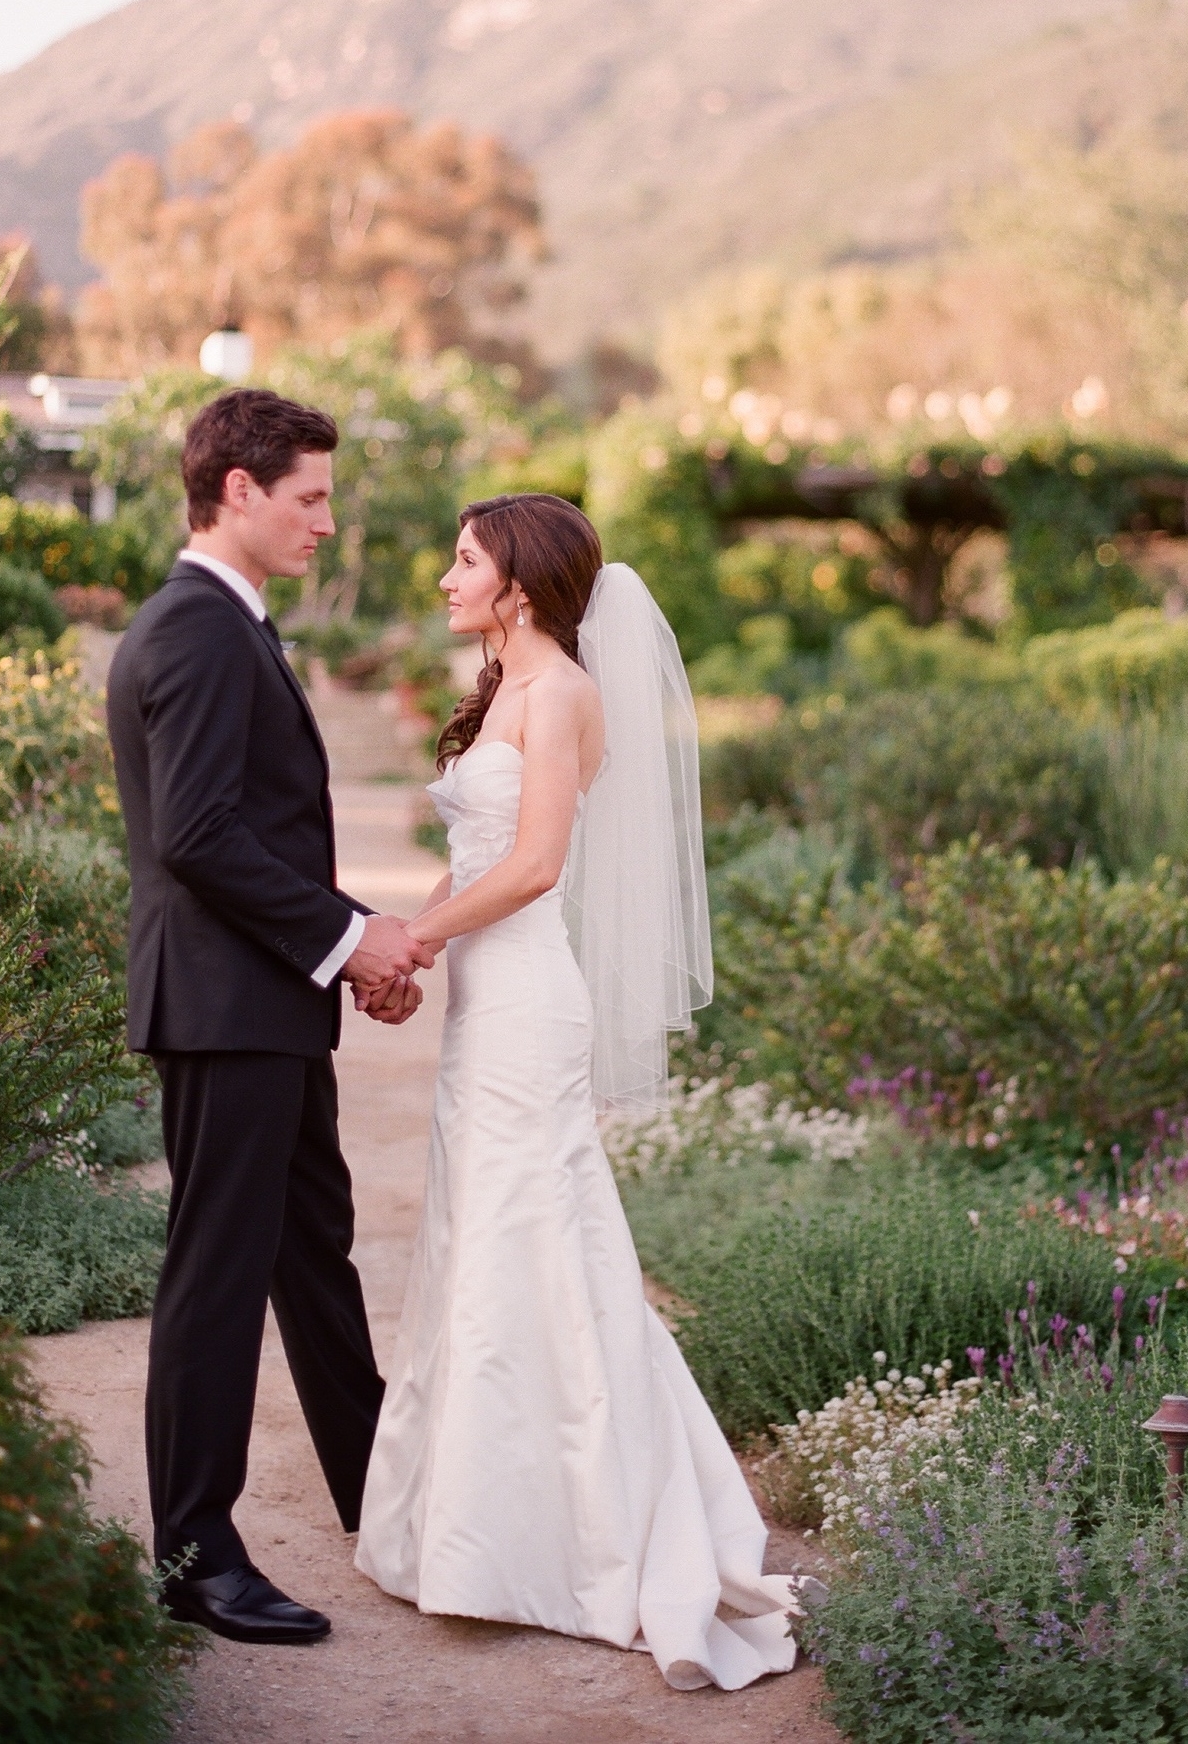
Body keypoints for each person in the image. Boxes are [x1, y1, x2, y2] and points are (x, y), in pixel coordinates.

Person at [355, 492, 797, 1690]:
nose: (445, 578)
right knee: (480, 1241)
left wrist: (416, 938)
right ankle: (470, 1528)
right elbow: (480, 854)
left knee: (535, 1246)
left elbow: (537, 863)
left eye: (464, 561)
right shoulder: (505, 685)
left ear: (520, 583)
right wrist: (414, 955)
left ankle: (574, 1541)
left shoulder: (560, 695)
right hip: (482, 1007)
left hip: (527, 1007)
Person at [107, 386, 434, 1647]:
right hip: (224, 1008)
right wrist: (352, 941)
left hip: (265, 1001)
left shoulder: (229, 622)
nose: (326, 522)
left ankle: (380, 1492)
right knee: (220, 1275)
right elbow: (197, 837)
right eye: (310, 497)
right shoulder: (197, 629)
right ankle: (195, 1554)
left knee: (312, 1249)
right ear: (237, 489)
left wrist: (344, 946)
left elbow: (250, 832)